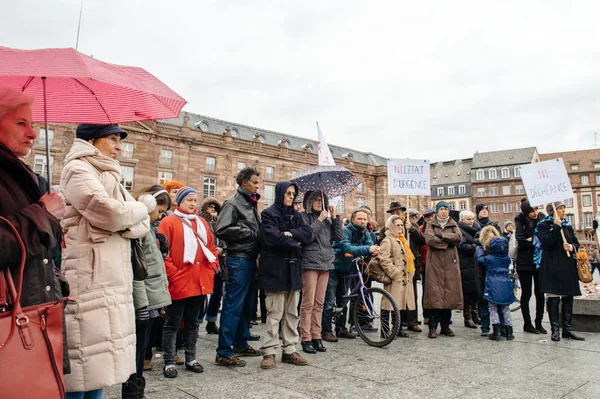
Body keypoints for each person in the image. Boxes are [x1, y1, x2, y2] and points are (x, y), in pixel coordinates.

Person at [61, 123, 150, 398]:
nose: (119, 146)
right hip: (89, 276)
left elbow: (142, 225)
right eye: (113, 139)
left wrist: (124, 218)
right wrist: (141, 207)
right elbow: (111, 214)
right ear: (93, 140)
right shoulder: (78, 170)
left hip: (112, 278)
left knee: (101, 362)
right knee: (83, 362)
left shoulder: (107, 173)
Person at [0, 87, 69, 380]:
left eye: (34, 125)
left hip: (35, 309)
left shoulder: (22, 175)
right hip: (9, 318)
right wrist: (44, 214)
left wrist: (56, 279)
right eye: (21, 123)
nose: (32, 134)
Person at [158, 186, 219, 378]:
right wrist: (173, 273)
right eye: (188, 200)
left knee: (193, 323)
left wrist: (212, 268)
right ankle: (169, 360)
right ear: (179, 201)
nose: (192, 203)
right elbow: (162, 251)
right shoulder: (168, 222)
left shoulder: (201, 222)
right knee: (172, 323)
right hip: (179, 281)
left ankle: (191, 358)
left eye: (194, 200)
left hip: (199, 279)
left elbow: (211, 247)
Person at [123, 186, 172, 398]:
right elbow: (137, 269)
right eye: (159, 211)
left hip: (150, 297)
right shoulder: (139, 230)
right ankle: (133, 391)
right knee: (138, 348)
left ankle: (138, 388)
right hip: (144, 299)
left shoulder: (149, 228)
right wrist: (142, 304)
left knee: (143, 347)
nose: (160, 216)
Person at [258, 182, 312, 369]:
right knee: (274, 313)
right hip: (274, 270)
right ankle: (269, 351)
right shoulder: (268, 214)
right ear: (280, 193)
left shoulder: (297, 216)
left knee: (292, 313)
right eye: (288, 193)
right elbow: (272, 237)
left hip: (293, 270)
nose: (291, 196)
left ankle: (290, 349)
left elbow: (307, 234)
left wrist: (290, 234)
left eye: (293, 193)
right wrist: (294, 242)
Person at [214, 167, 263, 366]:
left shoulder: (250, 202)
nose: (257, 185)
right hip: (239, 259)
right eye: (254, 182)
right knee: (233, 305)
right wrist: (248, 233)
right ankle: (223, 352)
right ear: (243, 182)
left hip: (250, 258)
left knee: (245, 306)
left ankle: (240, 343)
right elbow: (222, 228)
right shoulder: (233, 203)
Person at [322, 209, 380, 342]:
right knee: (330, 301)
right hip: (334, 267)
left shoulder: (365, 232)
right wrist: (368, 249)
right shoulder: (345, 230)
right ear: (353, 219)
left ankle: (341, 329)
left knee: (344, 301)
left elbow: (369, 246)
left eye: (365, 219)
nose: (362, 221)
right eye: (359, 219)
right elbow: (346, 247)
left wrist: (373, 250)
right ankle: (326, 331)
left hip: (349, 269)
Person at [299, 190, 343, 354]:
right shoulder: (304, 217)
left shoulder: (326, 220)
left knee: (320, 302)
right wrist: (319, 220)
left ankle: (317, 336)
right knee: (308, 302)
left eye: (321, 200)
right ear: (309, 202)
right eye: (316, 200)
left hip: (326, 262)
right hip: (310, 262)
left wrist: (335, 218)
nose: (319, 202)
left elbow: (338, 237)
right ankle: (306, 337)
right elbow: (306, 236)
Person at [537, 202, 585, 342]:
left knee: (568, 296)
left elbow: (576, 243)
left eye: (564, 208)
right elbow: (546, 242)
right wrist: (556, 227)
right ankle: (555, 330)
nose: (564, 211)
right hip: (552, 264)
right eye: (560, 209)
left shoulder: (567, 225)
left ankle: (567, 329)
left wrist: (570, 247)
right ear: (553, 211)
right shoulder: (543, 225)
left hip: (567, 265)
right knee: (553, 296)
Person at [423, 201, 463, 338]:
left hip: (450, 264)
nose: (444, 211)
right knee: (434, 294)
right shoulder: (431, 224)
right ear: (437, 211)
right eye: (442, 209)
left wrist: (442, 236)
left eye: (446, 209)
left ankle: (445, 326)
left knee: (449, 294)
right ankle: (432, 327)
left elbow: (458, 237)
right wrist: (447, 243)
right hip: (434, 264)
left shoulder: (453, 223)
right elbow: (429, 240)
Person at [378, 215, 416, 338]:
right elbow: (384, 258)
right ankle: (384, 331)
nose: (400, 227)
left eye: (401, 225)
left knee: (399, 304)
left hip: (404, 277)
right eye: (397, 225)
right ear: (391, 226)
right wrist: (394, 272)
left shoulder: (402, 239)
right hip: (395, 277)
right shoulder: (387, 240)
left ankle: (398, 328)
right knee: (387, 304)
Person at [514, 199, 547, 334]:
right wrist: (535, 240)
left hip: (539, 262)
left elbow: (545, 238)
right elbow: (520, 240)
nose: (535, 213)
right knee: (526, 293)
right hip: (524, 262)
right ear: (526, 211)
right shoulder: (520, 220)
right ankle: (527, 324)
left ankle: (539, 322)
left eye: (536, 209)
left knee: (540, 293)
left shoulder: (542, 219)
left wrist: (531, 239)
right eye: (532, 211)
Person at [476, 230, 514, 341]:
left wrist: (482, 249)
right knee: (505, 308)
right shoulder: (506, 259)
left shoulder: (488, 259)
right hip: (506, 285)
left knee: (493, 308)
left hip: (492, 285)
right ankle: (509, 332)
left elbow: (480, 259)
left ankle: (496, 331)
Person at [198, 197, 225, 335]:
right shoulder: (200, 222)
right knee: (201, 295)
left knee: (217, 293)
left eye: (215, 208)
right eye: (210, 207)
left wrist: (222, 249)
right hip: (205, 262)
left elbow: (224, 238)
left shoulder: (219, 223)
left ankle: (211, 321)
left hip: (219, 263)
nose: (213, 210)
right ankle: (196, 323)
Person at [457, 210, 482, 329]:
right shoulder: (460, 230)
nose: (471, 221)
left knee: (475, 290)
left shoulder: (477, 229)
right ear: (462, 220)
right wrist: (475, 247)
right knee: (467, 292)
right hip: (465, 264)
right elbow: (461, 246)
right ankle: (468, 317)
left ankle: (475, 315)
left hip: (475, 263)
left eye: (472, 219)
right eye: (468, 219)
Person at [404, 209, 426, 332]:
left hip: (413, 263)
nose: (414, 218)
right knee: (401, 293)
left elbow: (422, 240)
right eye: (412, 216)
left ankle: (412, 320)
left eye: (415, 217)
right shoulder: (397, 225)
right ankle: (401, 320)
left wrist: (412, 229)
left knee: (413, 293)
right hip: (401, 263)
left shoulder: (415, 227)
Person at [419, 208, 436, 325]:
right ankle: (426, 315)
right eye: (427, 217)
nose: (430, 219)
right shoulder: (420, 230)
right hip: (425, 265)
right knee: (426, 292)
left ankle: (438, 315)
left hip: (437, 265)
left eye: (432, 216)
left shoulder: (438, 228)